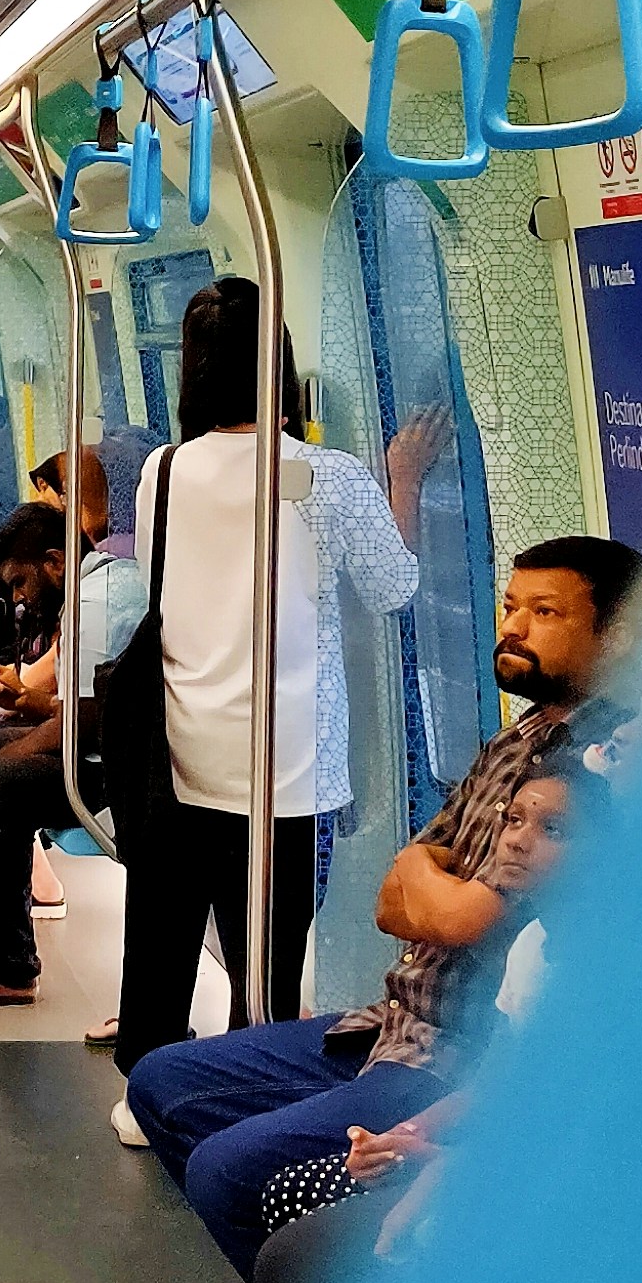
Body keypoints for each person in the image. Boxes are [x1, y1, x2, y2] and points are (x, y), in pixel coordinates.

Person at [123, 537, 642, 1275]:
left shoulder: (602, 769)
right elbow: (397, 896)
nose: (514, 627)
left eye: (545, 612)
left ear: (616, 636)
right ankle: (303, 1273)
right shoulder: (518, 737)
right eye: (510, 606)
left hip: (454, 1055)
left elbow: (463, 916)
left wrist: (434, 887)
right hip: (391, 1021)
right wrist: (433, 886)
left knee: (227, 1169)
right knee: (161, 1081)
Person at [112, 280, 420, 1066]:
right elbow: (394, 587)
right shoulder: (331, 476)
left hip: (180, 745)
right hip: (288, 765)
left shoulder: (164, 470)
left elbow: (168, 583)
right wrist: (405, 484)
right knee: (270, 963)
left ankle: (148, 1085)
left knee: (164, 933)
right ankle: (247, 1082)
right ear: (279, 366)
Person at [250, 757, 589, 1283]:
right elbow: (502, 1084)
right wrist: (414, 1137)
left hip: (537, 1202)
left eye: (553, 829)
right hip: (481, 1156)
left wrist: (445, 1179)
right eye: (512, 820)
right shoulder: (533, 946)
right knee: (287, 1247)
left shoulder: (612, 969)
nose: (517, 841)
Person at [0, 485, 147, 1007]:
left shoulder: (94, 604)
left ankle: (10, 971)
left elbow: (90, 723)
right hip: (106, 742)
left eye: (20, 581)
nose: (17, 597)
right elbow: (82, 705)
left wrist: (15, 750)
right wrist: (25, 701)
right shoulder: (92, 588)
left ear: (54, 562)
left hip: (121, 764)